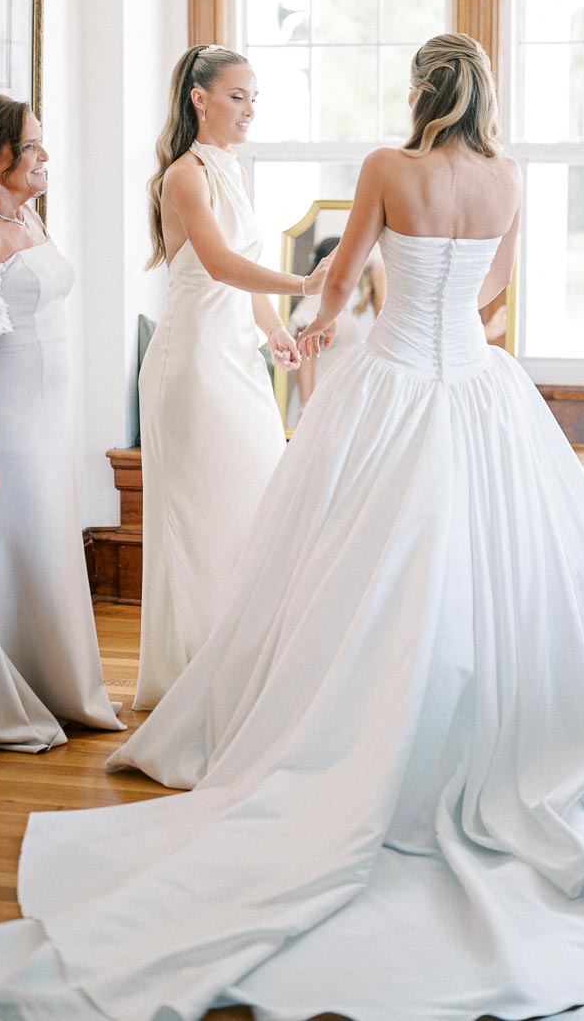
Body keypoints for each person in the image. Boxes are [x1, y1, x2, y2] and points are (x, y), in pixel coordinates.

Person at [0, 37, 584, 1020]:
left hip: (395, 381)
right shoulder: (511, 178)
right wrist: (445, 327)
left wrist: (332, 326)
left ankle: (349, 727)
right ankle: (480, 736)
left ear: (421, 90)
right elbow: (497, 297)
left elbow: (342, 276)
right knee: (489, 568)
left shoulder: (388, 168)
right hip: (477, 381)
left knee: (354, 561)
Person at [0, 95, 123, 751]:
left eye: (39, 144)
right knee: (4, 553)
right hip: (1, 421)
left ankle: (60, 687)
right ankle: (4, 705)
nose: (44, 157)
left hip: (44, 418)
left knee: (47, 547)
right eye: (32, 147)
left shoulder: (29, 216)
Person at [133, 44, 331, 710]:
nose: (249, 110)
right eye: (237, 96)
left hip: (236, 361)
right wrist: (304, 282)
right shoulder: (185, 176)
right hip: (192, 365)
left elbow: (242, 270)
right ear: (200, 99)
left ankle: (242, 656)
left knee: (254, 501)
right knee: (199, 516)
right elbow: (217, 264)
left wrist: (276, 329)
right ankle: (192, 673)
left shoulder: (231, 170)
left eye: (254, 98)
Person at [286, 235, 385, 425]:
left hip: (349, 397)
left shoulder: (360, 301)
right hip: (321, 396)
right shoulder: (316, 300)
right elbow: (306, 358)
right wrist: (308, 406)